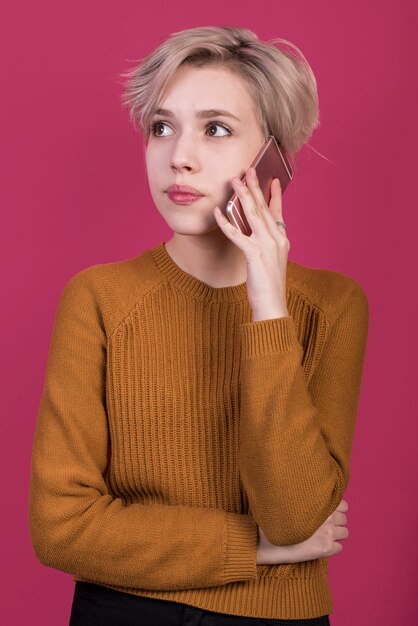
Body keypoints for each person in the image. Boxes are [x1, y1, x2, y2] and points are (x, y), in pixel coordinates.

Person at [28, 25, 369, 626]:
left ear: (275, 157)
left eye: (216, 128)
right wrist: (256, 548)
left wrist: (269, 304)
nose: (178, 155)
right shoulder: (100, 298)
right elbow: (61, 528)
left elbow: (294, 515)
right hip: (124, 613)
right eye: (162, 127)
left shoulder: (330, 307)